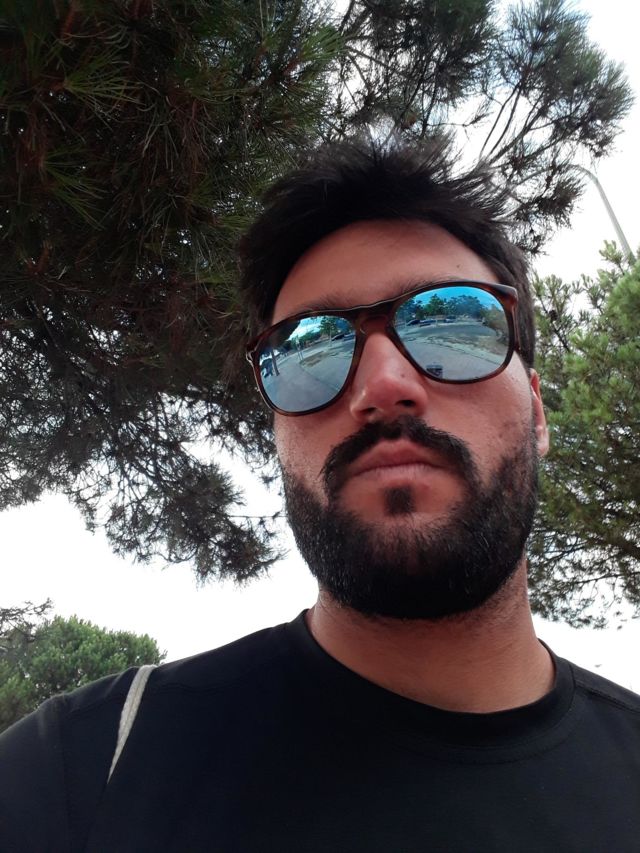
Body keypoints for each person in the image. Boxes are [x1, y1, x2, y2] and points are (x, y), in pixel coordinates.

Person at [1, 139, 639, 852]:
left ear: (538, 412)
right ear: (276, 435)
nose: (383, 386)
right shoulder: (79, 773)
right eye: (311, 348)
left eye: (453, 320)